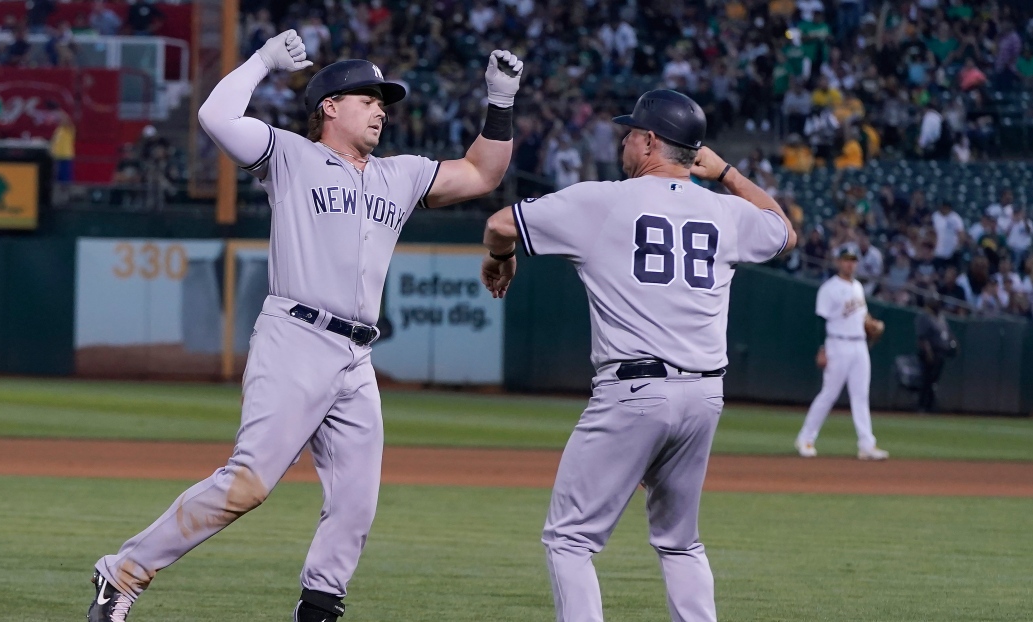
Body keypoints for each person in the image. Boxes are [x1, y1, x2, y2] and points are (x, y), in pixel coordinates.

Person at [86, 30, 524, 622]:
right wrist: (263, 61)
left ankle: (319, 608)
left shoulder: (399, 173)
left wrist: (501, 100)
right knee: (248, 484)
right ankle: (123, 573)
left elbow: (481, 174)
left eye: (383, 102)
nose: (379, 109)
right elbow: (215, 115)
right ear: (329, 107)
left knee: (355, 500)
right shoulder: (291, 156)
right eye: (367, 98)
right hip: (296, 335)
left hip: (357, 355)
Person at [480, 90, 796, 622]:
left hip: (634, 390)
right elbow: (784, 231)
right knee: (680, 542)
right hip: (703, 396)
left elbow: (499, 224)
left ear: (650, 141)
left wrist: (502, 258)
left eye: (630, 133)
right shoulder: (725, 211)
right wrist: (726, 174)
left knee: (570, 539)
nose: (623, 140)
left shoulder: (603, 199)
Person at [795, 248, 890, 460]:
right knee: (829, 394)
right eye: (847, 260)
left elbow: (861, 315)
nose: (850, 264)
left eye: (853, 261)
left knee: (861, 396)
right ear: (838, 262)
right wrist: (822, 349)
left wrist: (870, 323)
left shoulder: (857, 287)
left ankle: (867, 445)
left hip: (859, 345)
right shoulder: (829, 289)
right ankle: (805, 438)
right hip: (837, 344)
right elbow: (821, 321)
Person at [916, 295, 957, 412]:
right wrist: (928, 352)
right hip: (930, 353)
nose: (937, 304)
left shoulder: (940, 316)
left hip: (941, 353)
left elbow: (948, 332)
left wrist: (953, 344)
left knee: (934, 381)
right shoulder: (924, 316)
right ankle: (922, 406)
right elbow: (922, 338)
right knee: (927, 380)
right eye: (934, 302)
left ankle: (930, 405)